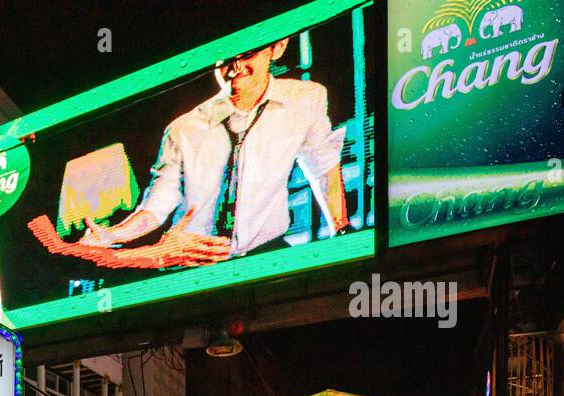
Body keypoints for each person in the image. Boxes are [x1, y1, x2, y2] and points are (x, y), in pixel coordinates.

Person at [35, 37, 348, 271]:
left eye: (248, 54)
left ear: (277, 48)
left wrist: (344, 234)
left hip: (267, 253)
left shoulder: (305, 99)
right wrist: (110, 235)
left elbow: (324, 168)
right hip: (197, 264)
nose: (236, 67)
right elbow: (155, 209)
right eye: (226, 59)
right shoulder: (182, 129)